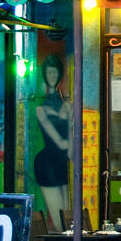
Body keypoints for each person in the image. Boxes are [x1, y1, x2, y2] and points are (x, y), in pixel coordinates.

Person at [33, 53, 72, 220]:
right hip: (47, 163)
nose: (52, 76)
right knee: (58, 219)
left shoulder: (66, 104)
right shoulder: (41, 109)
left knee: (67, 217)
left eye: (54, 72)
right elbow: (60, 141)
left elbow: (71, 132)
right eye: (49, 72)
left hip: (62, 162)